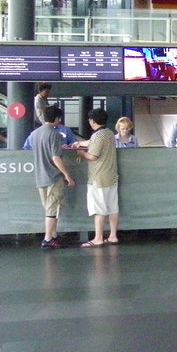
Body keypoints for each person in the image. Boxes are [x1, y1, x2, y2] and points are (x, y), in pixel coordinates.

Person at [28, 105, 76, 248]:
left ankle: (54, 236)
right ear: (57, 118)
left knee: (49, 208)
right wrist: (67, 175)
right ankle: (48, 239)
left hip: (40, 177)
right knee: (52, 209)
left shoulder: (35, 133)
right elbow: (56, 158)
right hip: (53, 177)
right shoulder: (54, 134)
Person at [75, 108, 120, 247]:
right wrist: (80, 143)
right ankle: (113, 236)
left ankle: (98, 238)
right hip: (111, 176)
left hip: (98, 178)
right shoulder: (109, 133)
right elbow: (92, 142)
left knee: (99, 209)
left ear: (92, 121)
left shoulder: (98, 136)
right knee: (113, 208)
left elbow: (93, 156)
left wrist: (81, 153)